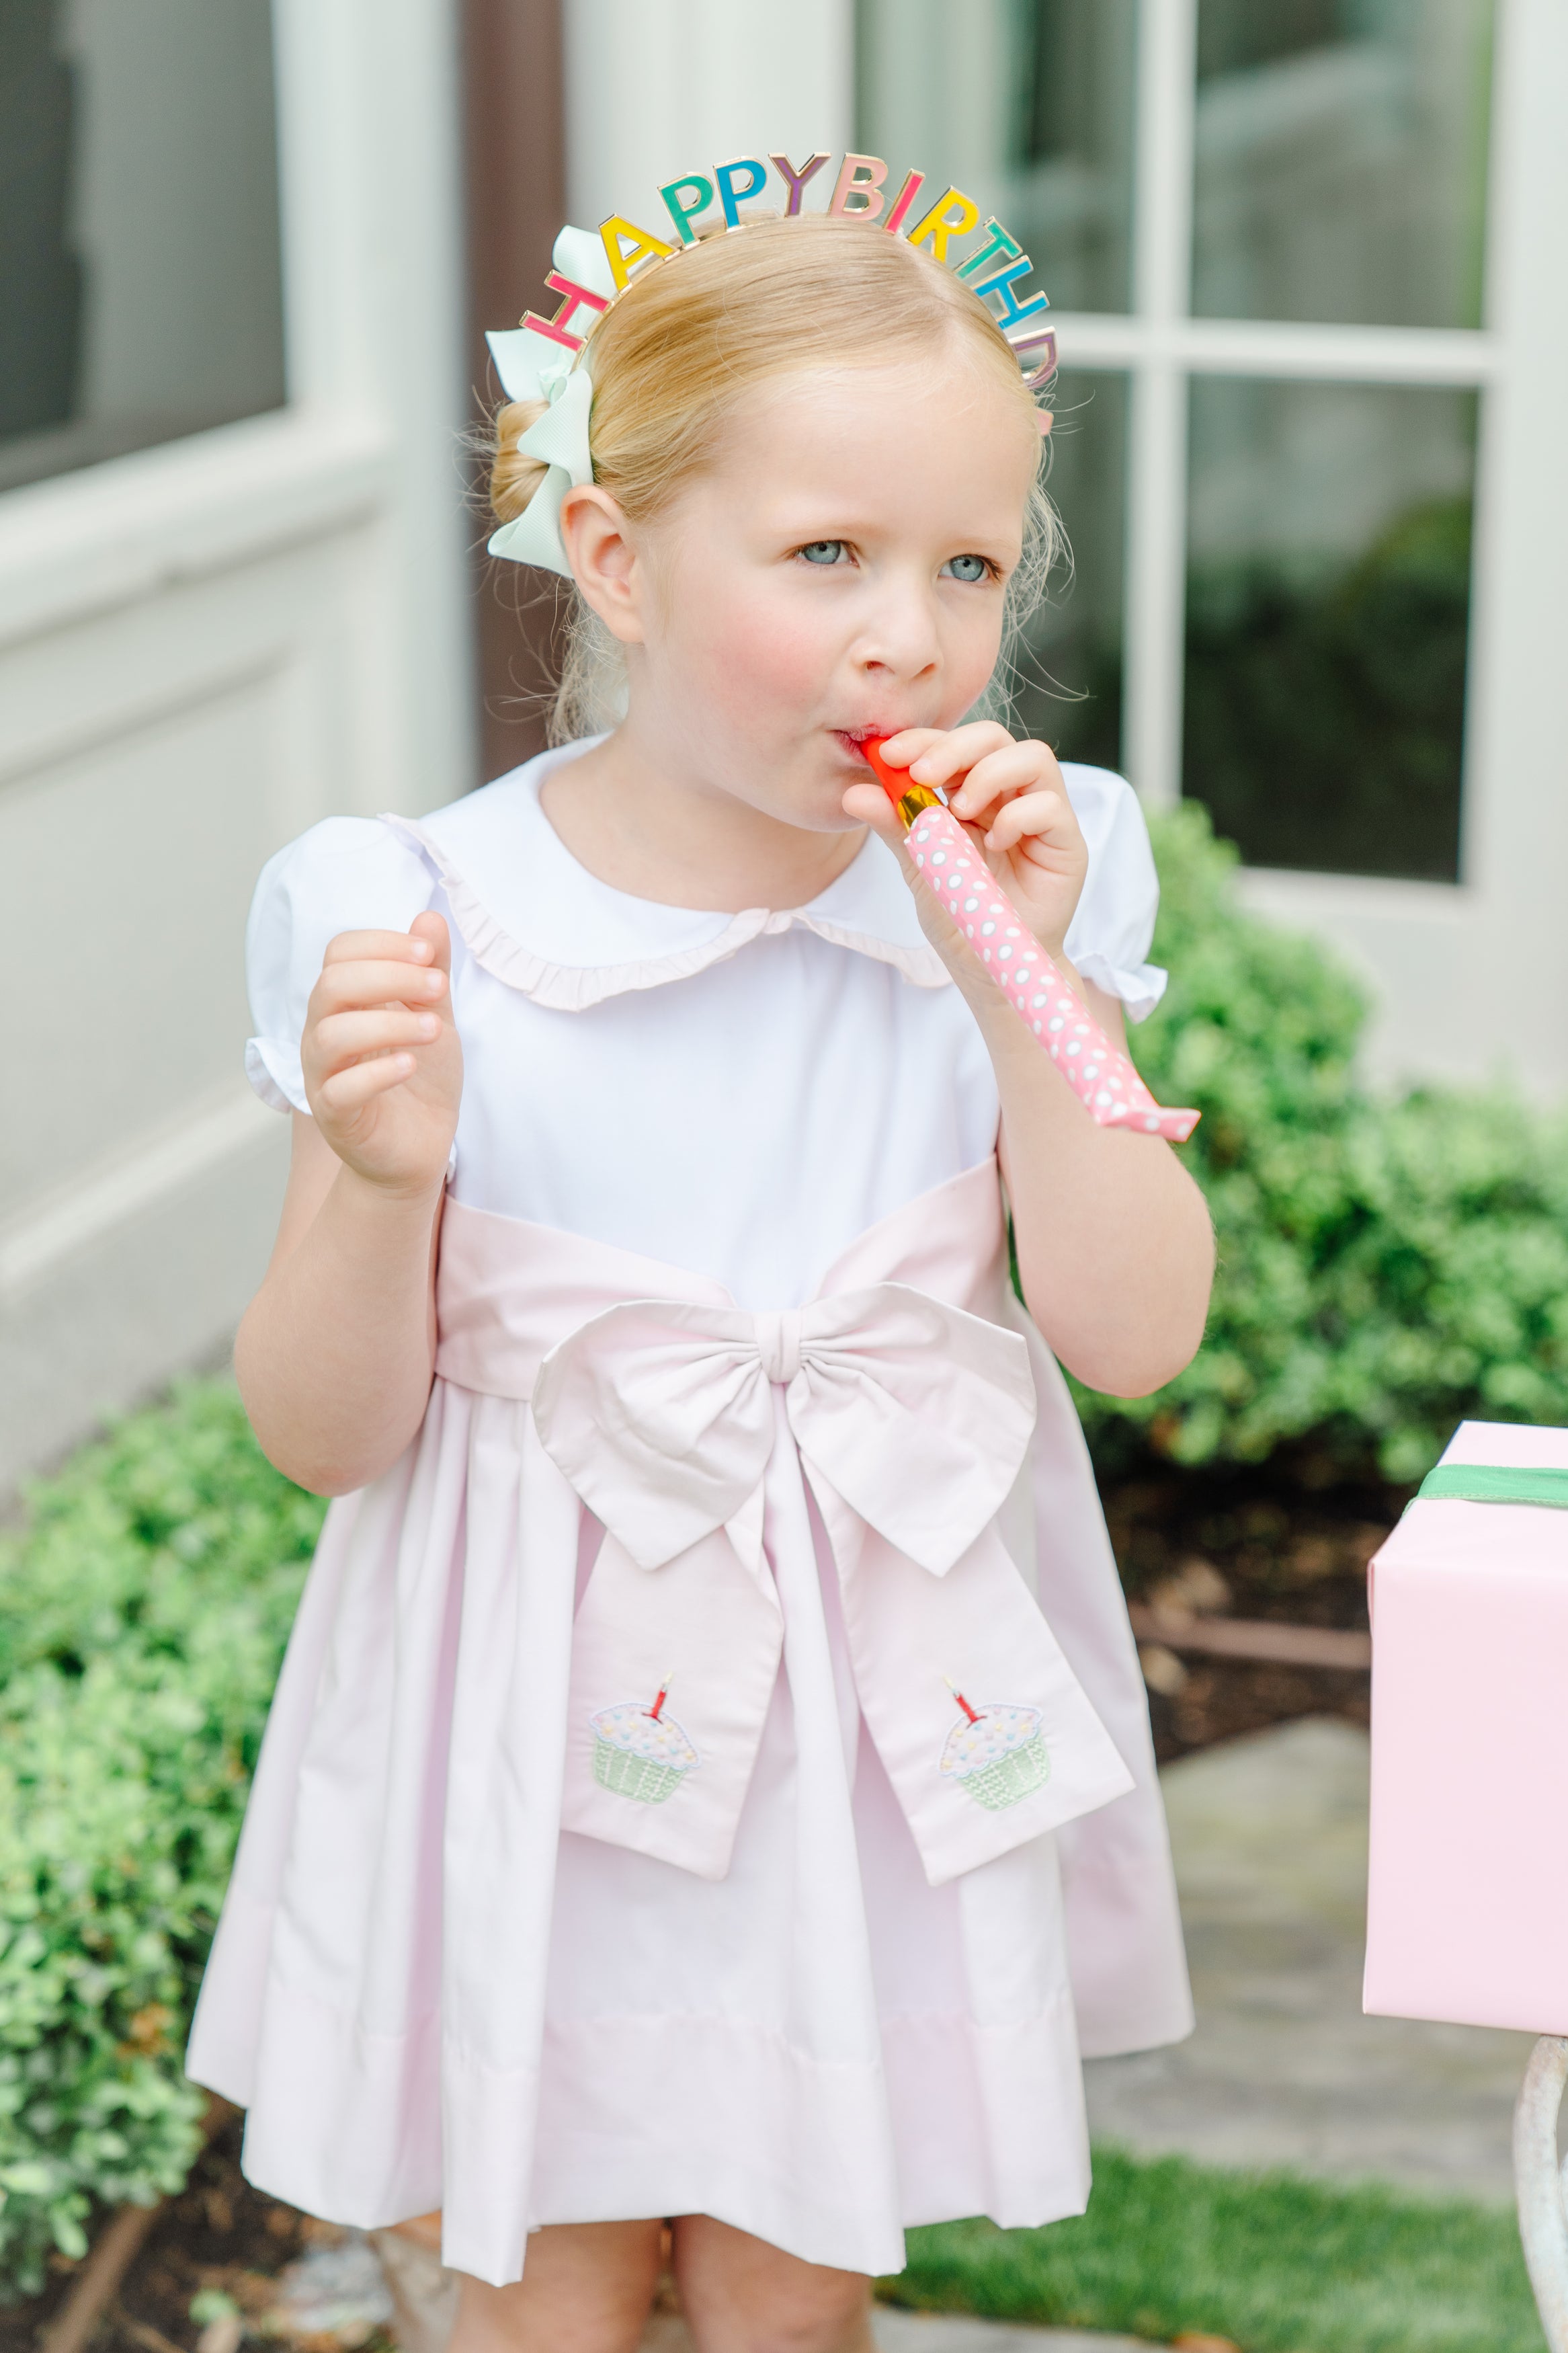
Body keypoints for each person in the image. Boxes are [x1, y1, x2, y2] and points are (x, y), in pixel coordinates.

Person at [188, 206, 1214, 2353]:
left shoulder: (1027, 884)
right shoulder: (419, 914)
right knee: (541, 2291)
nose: (910, 639)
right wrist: (382, 1178)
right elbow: (320, 1433)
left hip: (861, 1727)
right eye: (827, 553)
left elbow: (1134, 1335)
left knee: (790, 2285)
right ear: (619, 558)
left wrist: (1016, 984)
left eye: (968, 566)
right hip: (524, 1707)